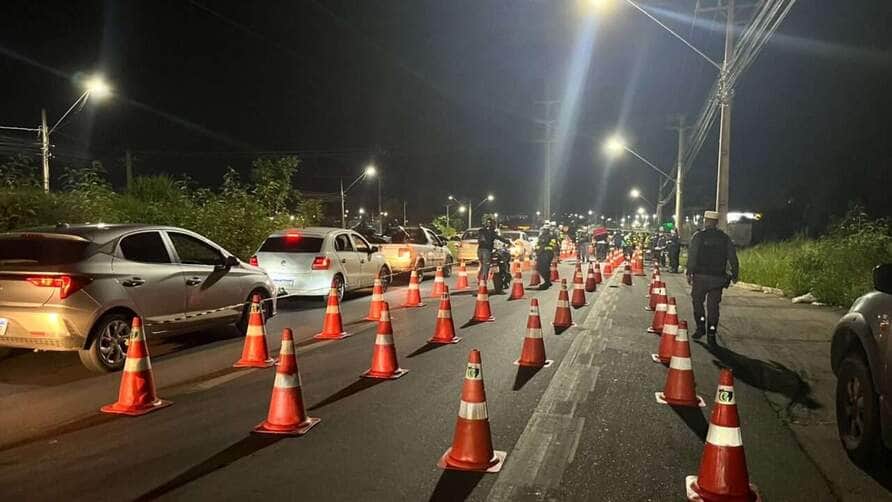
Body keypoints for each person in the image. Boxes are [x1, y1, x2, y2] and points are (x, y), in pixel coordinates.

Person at [686, 211, 739, 345]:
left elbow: (692, 256)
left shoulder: (698, 236)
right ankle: (711, 332)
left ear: (705, 220)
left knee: (697, 302)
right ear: (716, 222)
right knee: (713, 307)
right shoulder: (725, 238)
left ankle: (700, 327)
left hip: (700, 277)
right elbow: (733, 257)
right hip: (717, 278)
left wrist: (689, 272)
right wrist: (735, 274)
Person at [476, 217, 512, 285]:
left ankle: (479, 279)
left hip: (479, 250)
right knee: (486, 267)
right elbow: (500, 238)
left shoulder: (481, 231)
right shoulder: (492, 232)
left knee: (483, 265)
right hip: (486, 251)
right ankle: (483, 282)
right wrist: (508, 242)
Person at [535, 225, 557, 290]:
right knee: (539, 268)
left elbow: (551, 244)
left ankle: (547, 282)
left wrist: (543, 247)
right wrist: (537, 250)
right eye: (543, 229)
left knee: (544, 268)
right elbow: (538, 244)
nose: (543, 231)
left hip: (547, 254)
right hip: (541, 254)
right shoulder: (541, 236)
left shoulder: (551, 236)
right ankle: (548, 281)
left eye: (545, 230)